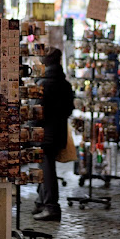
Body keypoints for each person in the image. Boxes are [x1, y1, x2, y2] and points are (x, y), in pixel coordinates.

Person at [33, 48, 74, 221]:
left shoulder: (44, 84)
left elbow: (36, 112)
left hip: (45, 133)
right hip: (57, 132)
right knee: (45, 167)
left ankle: (51, 206)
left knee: (46, 168)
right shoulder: (64, 83)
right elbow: (69, 109)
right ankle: (42, 201)